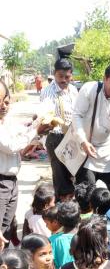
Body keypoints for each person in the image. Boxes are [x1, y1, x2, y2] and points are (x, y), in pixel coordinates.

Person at [0, 80, 50, 247]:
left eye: (6, 102)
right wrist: (36, 129)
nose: (3, 106)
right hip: (1, 183)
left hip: (11, 182)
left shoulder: (6, 123)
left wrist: (37, 133)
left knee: (6, 228)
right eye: (0, 102)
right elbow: (12, 145)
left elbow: (19, 146)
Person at [40, 59, 78, 199]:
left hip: (73, 137)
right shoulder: (48, 92)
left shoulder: (73, 90)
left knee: (73, 173)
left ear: (71, 75)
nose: (63, 80)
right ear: (55, 74)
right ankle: (62, 209)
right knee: (60, 177)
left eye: (67, 77)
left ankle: (71, 205)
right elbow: (45, 115)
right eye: (60, 76)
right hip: (56, 138)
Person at [49, 201, 81, 268]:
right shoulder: (85, 236)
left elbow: (50, 265)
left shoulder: (52, 240)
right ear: (79, 218)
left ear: (59, 220)